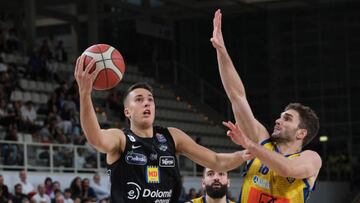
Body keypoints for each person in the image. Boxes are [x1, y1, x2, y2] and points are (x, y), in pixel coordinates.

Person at [74, 55, 253, 203]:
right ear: (127, 111)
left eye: (150, 99)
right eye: (139, 99)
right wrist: (85, 94)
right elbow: (95, 139)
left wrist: (248, 152)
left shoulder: (172, 136)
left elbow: (216, 161)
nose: (147, 102)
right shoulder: (120, 138)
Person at [210, 9, 322, 203]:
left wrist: (248, 144)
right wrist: (222, 51)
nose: (278, 120)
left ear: (301, 133)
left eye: (287, 118)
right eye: (280, 116)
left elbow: (287, 169)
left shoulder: (311, 158)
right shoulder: (262, 140)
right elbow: (236, 96)